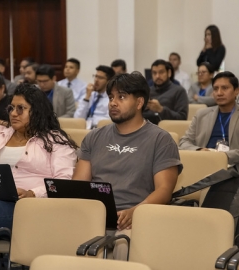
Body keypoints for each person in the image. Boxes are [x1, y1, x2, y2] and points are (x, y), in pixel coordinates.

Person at [72, 72, 182, 260]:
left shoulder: (161, 140)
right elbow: (79, 186)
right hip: (96, 215)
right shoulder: (94, 137)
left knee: (123, 243)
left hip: (136, 218)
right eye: (111, 97)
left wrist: (135, 211)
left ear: (139, 103)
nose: (113, 103)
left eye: (121, 97)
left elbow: (164, 190)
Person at [0, 83, 77, 231]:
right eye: (11, 108)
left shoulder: (56, 141)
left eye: (21, 108)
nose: (13, 113)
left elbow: (64, 181)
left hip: (31, 206)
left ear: (37, 112)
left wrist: (33, 193)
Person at [179, 71, 239, 167]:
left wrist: (221, 156)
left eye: (225, 88)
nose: (219, 93)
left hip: (232, 166)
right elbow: (184, 142)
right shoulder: (201, 114)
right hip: (203, 163)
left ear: (236, 91)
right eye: (215, 89)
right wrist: (199, 150)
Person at [143, 59, 188, 124]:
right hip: (146, 128)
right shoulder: (148, 91)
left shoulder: (179, 91)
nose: (157, 76)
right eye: (154, 73)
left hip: (168, 130)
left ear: (169, 73)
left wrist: (161, 110)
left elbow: (182, 118)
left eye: (161, 72)